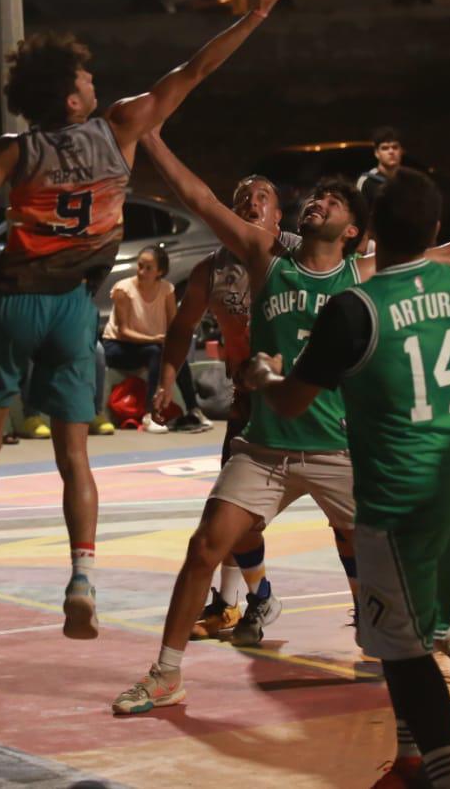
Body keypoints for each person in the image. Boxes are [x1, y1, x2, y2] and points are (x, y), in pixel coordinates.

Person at [0, 0, 298, 639]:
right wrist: (253, 15)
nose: (93, 80)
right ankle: (81, 578)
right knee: (73, 454)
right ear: (73, 101)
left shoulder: (15, 150)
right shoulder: (123, 127)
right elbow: (194, 70)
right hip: (73, 309)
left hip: (12, 300)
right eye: (83, 77)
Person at [113, 133, 450, 725]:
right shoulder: (267, 259)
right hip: (266, 449)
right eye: (313, 199)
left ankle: (449, 635)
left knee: (392, 573)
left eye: (332, 203)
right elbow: (201, 199)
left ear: (352, 232)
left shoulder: (363, 275)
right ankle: (166, 675)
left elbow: (449, 253)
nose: (316, 204)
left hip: (341, 449)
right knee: (204, 547)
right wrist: (151, 137)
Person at [241, 167, 450, 789]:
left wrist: (261, 377)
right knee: (417, 621)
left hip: (397, 493)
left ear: (373, 233)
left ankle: (446, 775)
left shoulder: (355, 307)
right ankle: (412, 759)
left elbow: (291, 402)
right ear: (435, 229)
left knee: (399, 645)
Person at [154, 173, 298, 639]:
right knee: (229, 514)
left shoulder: (303, 254)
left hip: (311, 401)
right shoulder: (212, 270)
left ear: (278, 215)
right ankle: (239, 601)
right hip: (250, 406)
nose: (250, 204)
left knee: (350, 520)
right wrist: (166, 382)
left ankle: (372, 610)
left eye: (262, 197)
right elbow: (180, 329)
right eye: (241, 199)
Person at [102, 245, 209, 432]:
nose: (142, 271)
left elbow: (173, 326)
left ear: (160, 271)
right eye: (140, 266)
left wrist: (171, 341)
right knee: (155, 353)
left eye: (148, 268)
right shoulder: (123, 289)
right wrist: (155, 339)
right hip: (118, 346)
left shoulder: (167, 290)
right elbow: (123, 331)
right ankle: (149, 414)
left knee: (176, 354)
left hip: (151, 343)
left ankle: (193, 408)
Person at [357, 126, 404, 207]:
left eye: (395, 147)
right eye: (385, 148)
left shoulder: (410, 180)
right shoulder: (367, 181)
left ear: (401, 151)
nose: (391, 151)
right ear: (376, 153)